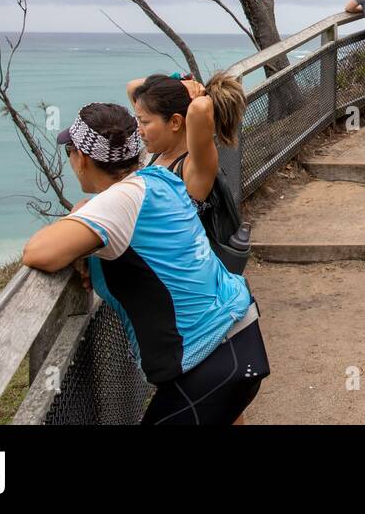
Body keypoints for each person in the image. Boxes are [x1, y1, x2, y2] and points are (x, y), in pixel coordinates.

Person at [22, 103, 268, 425]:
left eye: (70, 150)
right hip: (235, 341)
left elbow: (37, 252)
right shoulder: (157, 180)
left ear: (81, 158)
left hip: (212, 360)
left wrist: (77, 220)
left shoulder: (117, 204)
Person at [126, 70, 246, 204]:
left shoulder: (194, 165)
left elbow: (199, 108)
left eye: (145, 122)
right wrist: (178, 81)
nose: (139, 131)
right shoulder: (163, 151)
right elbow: (132, 87)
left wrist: (194, 90)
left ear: (175, 122)